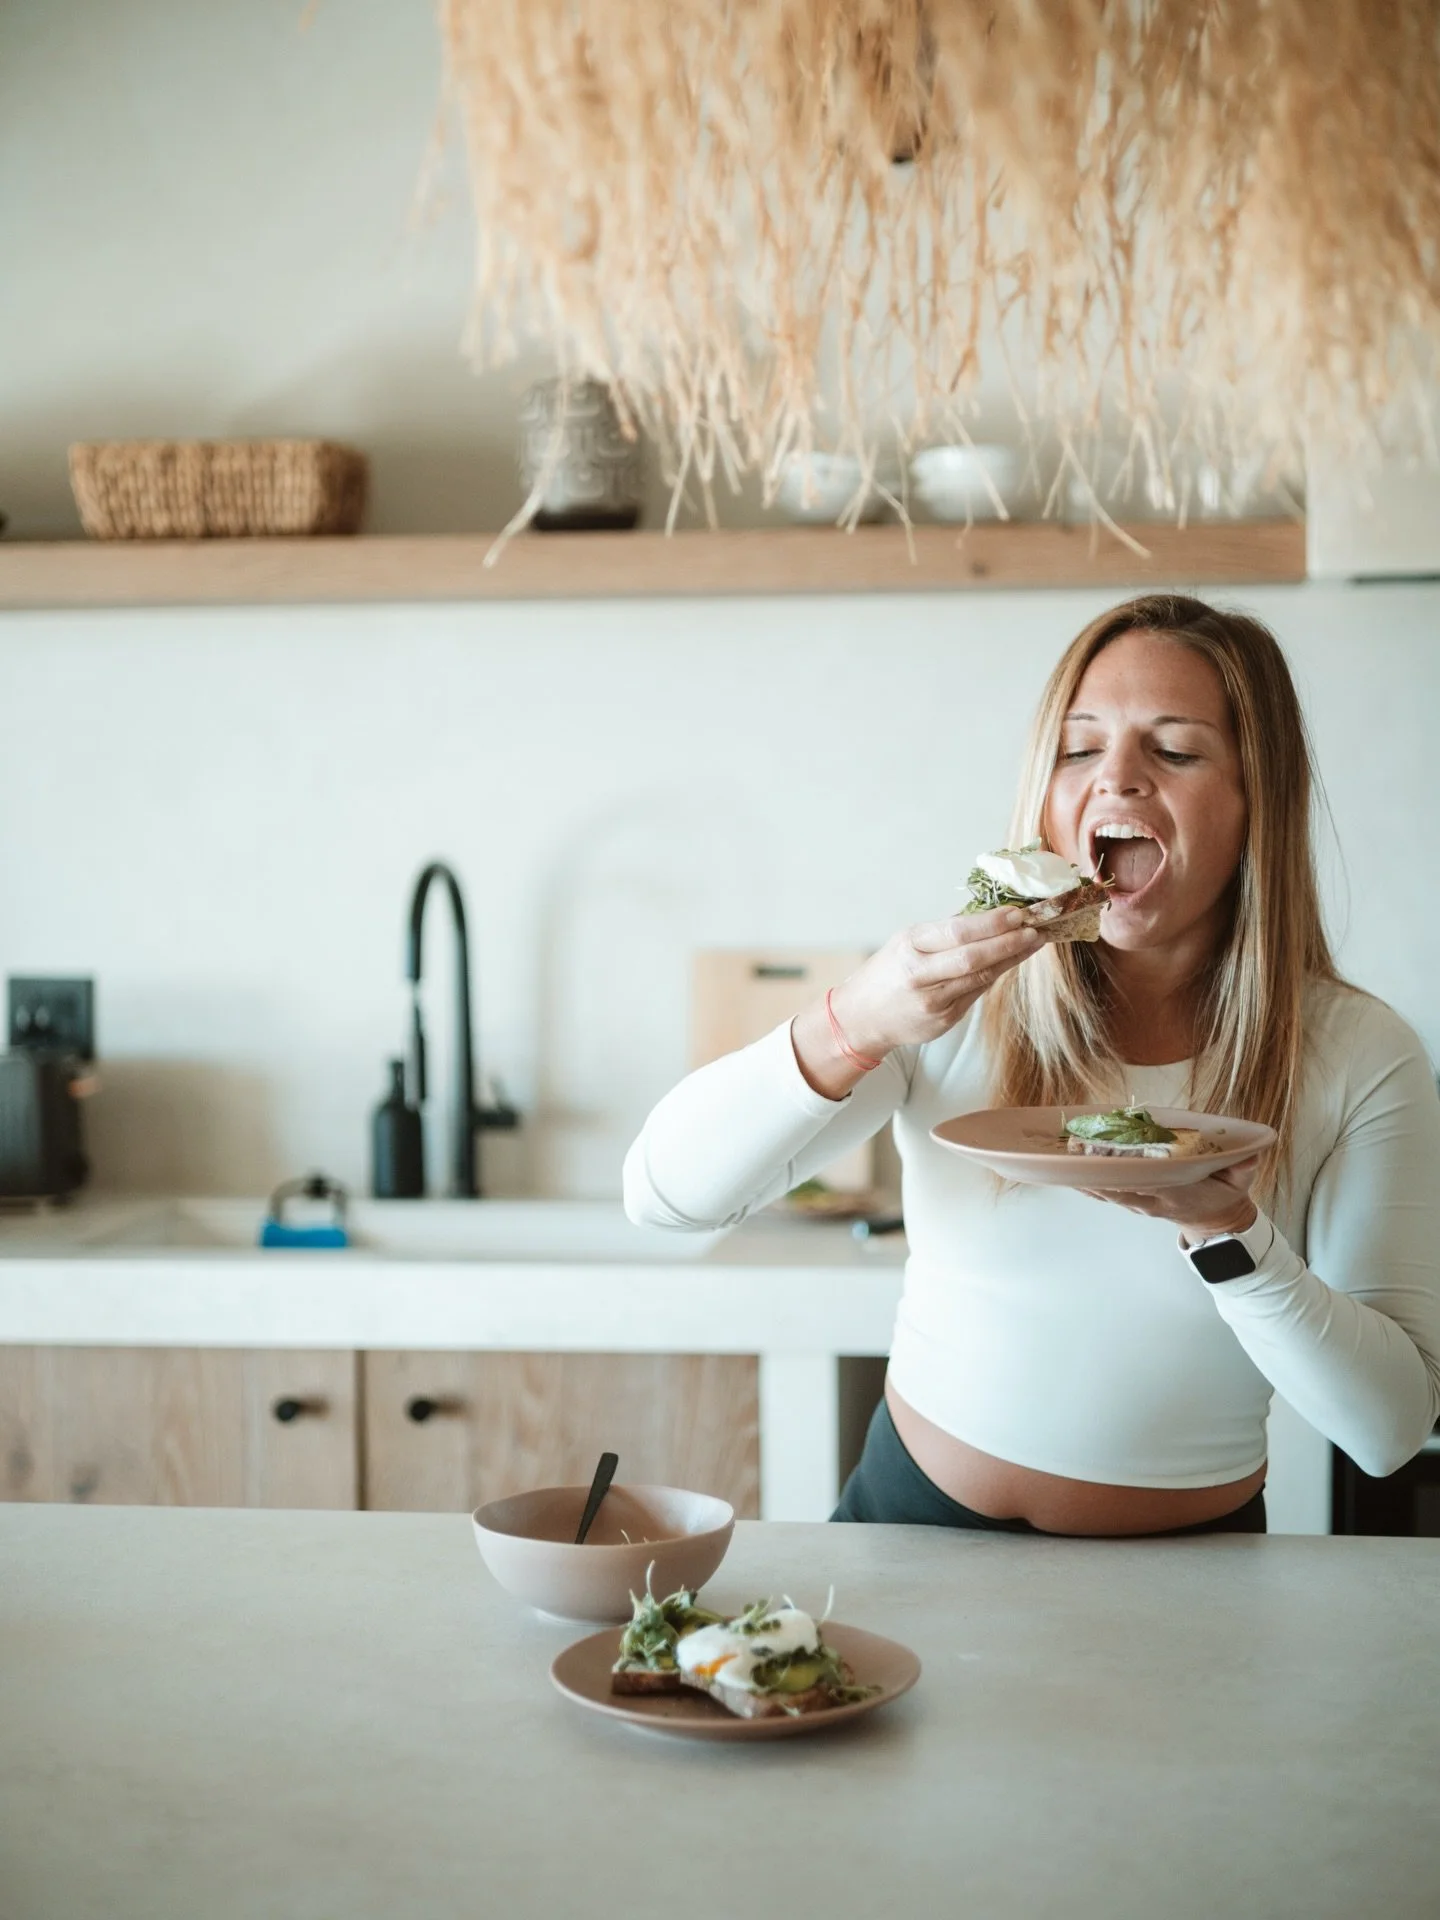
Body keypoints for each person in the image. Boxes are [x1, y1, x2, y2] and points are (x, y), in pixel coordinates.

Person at [623, 594, 1440, 1535]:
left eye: (1174, 750)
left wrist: (1232, 1237)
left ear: (1260, 797)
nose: (1118, 779)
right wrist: (853, 1020)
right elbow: (665, 1199)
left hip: (1194, 1589)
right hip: (907, 1536)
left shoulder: (1361, 1055)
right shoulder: (951, 998)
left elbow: (1387, 1430)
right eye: (1079, 747)